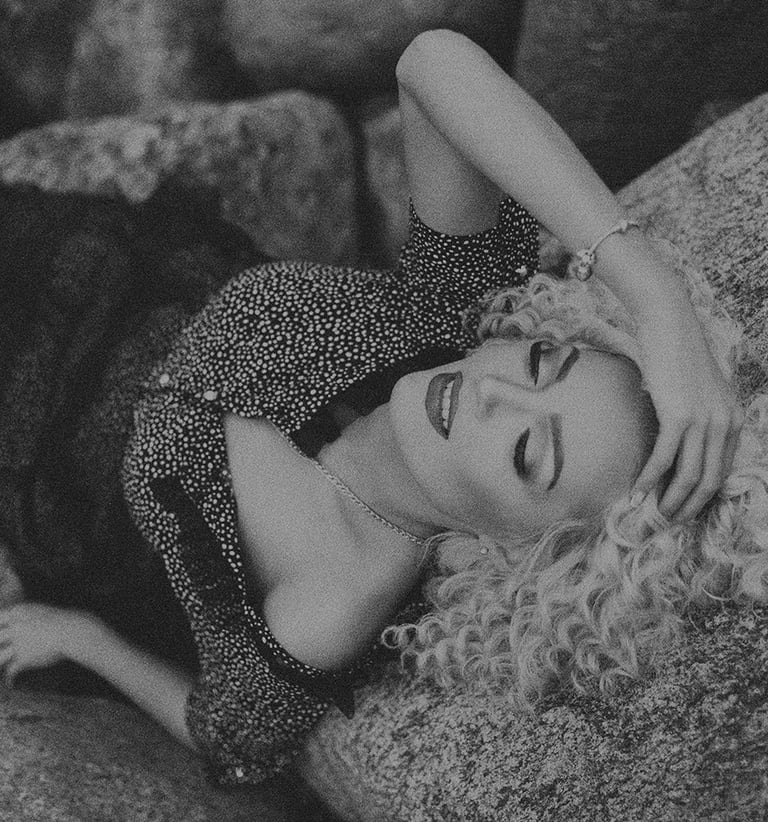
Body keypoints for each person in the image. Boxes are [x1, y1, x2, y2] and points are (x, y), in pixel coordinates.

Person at [0, 29, 755, 785]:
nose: (491, 392)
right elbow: (432, 62)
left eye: (528, 452)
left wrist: (80, 638)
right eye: (539, 361)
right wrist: (654, 297)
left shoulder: (333, 602)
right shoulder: (454, 315)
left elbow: (230, 739)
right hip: (85, 258)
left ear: (516, 554)